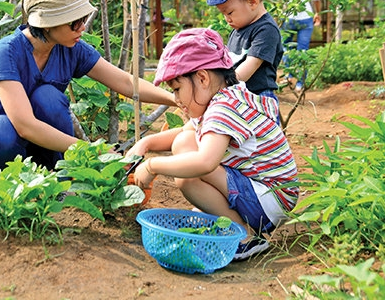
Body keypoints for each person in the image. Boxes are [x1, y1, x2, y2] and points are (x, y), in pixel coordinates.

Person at [0, 0, 176, 171]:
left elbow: (126, 83)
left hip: (41, 150)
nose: (82, 28)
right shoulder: (7, 52)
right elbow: (24, 125)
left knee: (47, 97)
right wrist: (92, 150)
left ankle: (59, 174)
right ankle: (4, 188)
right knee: (2, 130)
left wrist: (176, 99)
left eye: (83, 19)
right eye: (75, 23)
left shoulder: (71, 49)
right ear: (48, 24)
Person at [127, 27, 298, 261]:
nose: (175, 99)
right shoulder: (226, 96)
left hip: (269, 202)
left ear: (203, 78)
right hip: (267, 195)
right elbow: (187, 131)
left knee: (187, 174)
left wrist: (152, 166)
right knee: (185, 140)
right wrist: (145, 143)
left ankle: (244, 236)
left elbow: (205, 162)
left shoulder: (222, 109)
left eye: (177, 89)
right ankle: (222, 214)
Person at [206, 0, 283, 119]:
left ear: (252, 2)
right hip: (240, 97)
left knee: (264, 141)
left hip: (259, 99)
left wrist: (220, 86)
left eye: (229, 12)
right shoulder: (239, 28)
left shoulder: (266, 29)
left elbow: (250, 66)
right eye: (223, 14)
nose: (226, 19)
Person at [278, 0, 322, 92]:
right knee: (303, 50)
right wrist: (317, 13)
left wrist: (280, 14)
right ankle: (300, 83)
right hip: (306, 16)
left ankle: (289, 75)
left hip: (289, 16)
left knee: (286, 47)